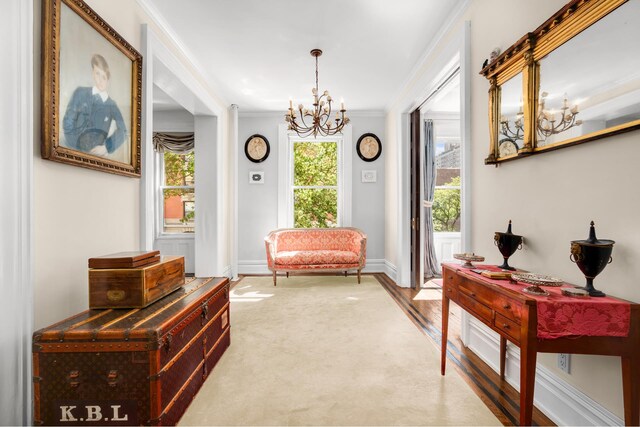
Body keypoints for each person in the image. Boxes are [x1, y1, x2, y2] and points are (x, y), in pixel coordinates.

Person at [62, 54, 127, 157]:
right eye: (97, 74)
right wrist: (76, 149)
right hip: (71, 150)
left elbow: (123, 131)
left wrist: (106, 147)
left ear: (108, 81)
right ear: (93, 73)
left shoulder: (111, 105)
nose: (100, 80)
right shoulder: (80, 93)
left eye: (104, 77)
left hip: (95, 156)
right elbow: (68, 122)